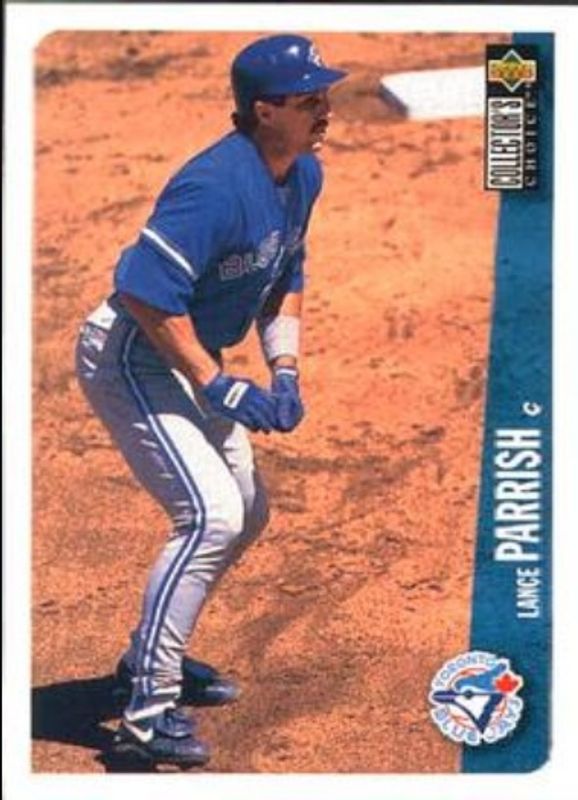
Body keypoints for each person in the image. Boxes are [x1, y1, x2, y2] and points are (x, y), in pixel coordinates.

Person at [75, 33, 346, 769]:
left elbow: (286, 275)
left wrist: (284, 369)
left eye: (325, 95)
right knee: (210, 514)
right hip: (133, 355)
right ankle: (146, 714)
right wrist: (216, 382)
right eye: (309, 99)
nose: (325, 109)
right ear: (265, 110)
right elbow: (143, 292)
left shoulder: (303, 174)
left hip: (190, 359)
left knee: (247, 512)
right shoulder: (212, 187)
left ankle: (149, 657)